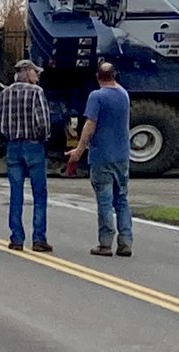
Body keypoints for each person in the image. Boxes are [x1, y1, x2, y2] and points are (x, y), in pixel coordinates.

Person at [66, 62, 133, 257]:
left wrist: (79, 149)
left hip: (102, 155)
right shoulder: (124, 95)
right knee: (121, 198)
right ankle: (126, 241)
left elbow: (90, 124)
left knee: (104, 199)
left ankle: (105, 243)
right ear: (115, 75)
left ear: (97, 76)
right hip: (121, 155)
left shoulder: (96, 97)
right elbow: (116, 85)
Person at [0, 58, 53, 252]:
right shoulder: (37, 92)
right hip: (33, 145)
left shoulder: (4, 93)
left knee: (16, 193)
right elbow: (43, 121)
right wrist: (43, 138)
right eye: (35, 72)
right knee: (39, 194)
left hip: (13, 146)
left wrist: (5, 139)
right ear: (28, 73)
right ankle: (38, 238)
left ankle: (16, 238)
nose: (37, 76)